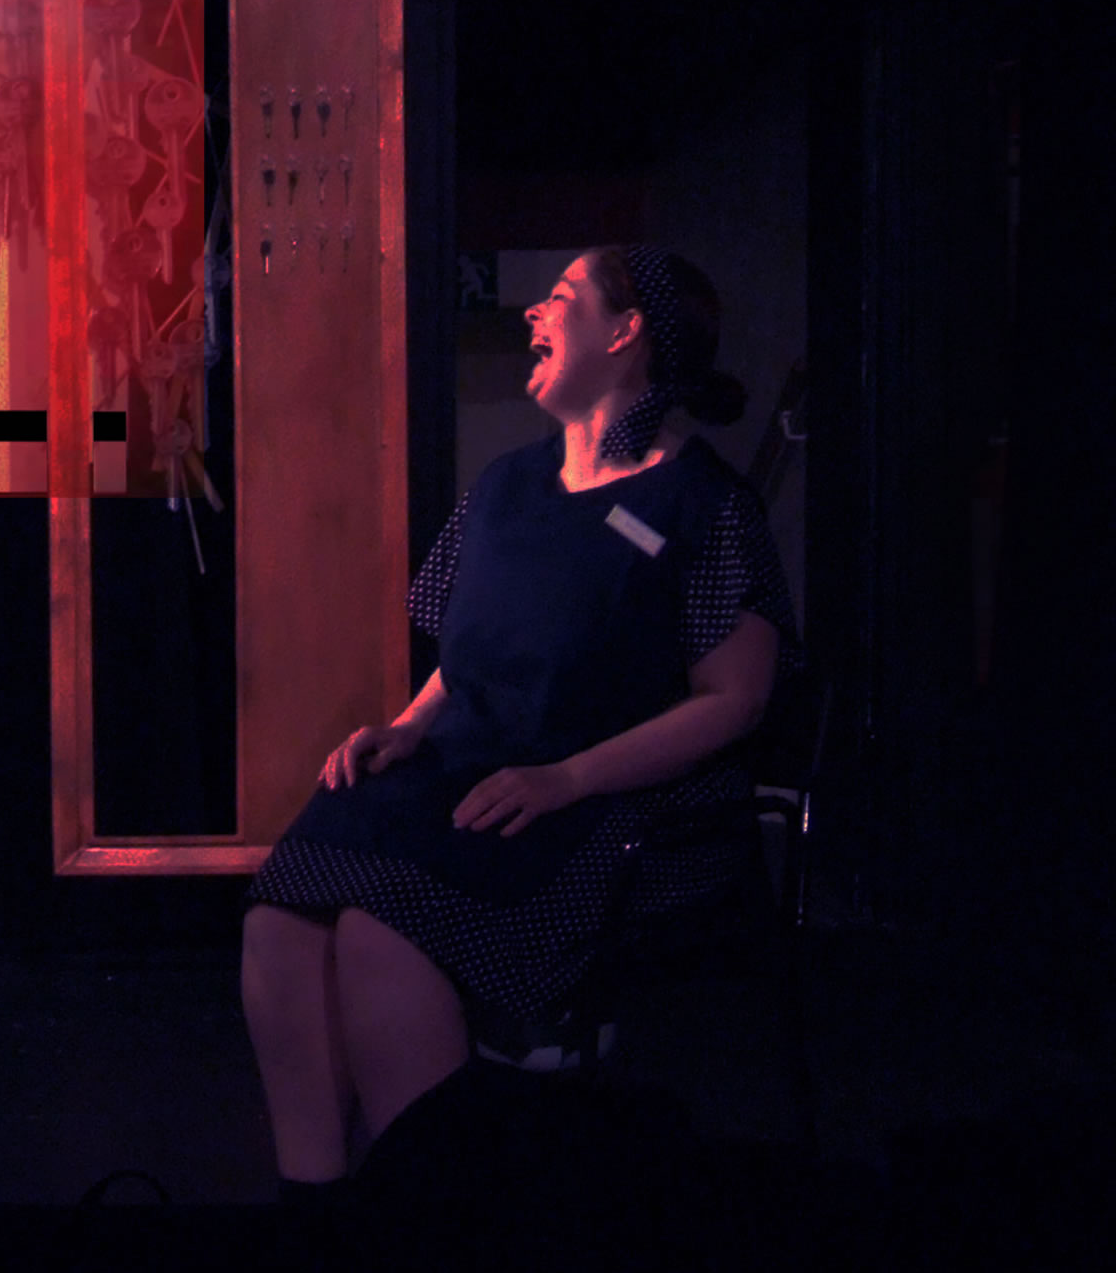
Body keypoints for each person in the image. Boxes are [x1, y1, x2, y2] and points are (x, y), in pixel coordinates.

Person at [238, 246, 793, 1202]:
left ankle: (435, 1209)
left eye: (564, 297)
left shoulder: (705, 506)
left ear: (625, 333)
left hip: (607, 803)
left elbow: (735, 701)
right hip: (469, 767)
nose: (536, 312)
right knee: (283, 914)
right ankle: (313, 1205)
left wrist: (567, 778)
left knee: (379, 930)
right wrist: (411, 724)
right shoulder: (507, 486)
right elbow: (476, 653)